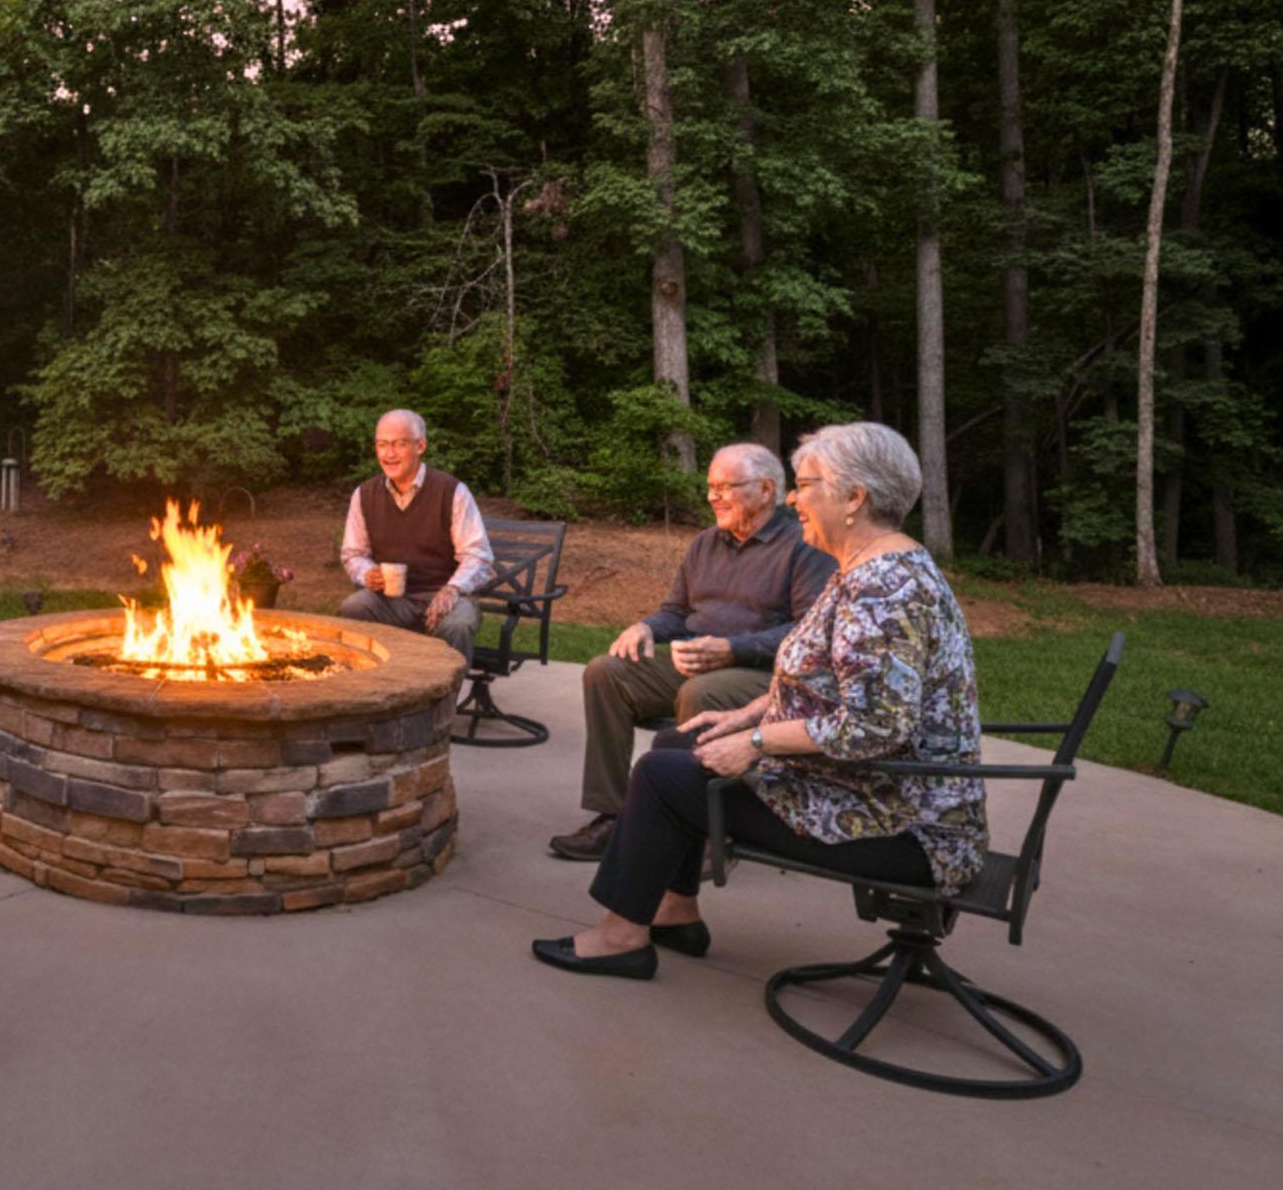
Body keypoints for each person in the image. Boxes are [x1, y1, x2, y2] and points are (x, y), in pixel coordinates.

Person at [531, 421, 986, 979]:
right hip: (874, 789)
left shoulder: (882, 588)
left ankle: (620, 936)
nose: (795, 496)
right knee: (686, 737)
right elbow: (825, 678)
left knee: (658, 776)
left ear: (853, 498)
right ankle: (676, 913)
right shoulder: (868, 570)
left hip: (900, 825)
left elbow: (872, 728)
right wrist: (746, 713)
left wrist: (755, 741)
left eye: (805, 483)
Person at [547, 443, 836, 861]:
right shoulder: (705, 544)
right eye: (710, 487)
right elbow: (677, 612)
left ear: (766, 490)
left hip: (765, 674)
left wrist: (732, 649)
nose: (713, 497)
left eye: (725, 487)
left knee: (702, 694)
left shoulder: (803, 547)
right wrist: (645, 626)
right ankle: (612, 815)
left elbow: (809, 632)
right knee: (605, 672)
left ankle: (703, 827)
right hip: (698, 661)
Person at [336, 409, 491, 663]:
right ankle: (369, 693)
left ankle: (445, 700)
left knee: (458, 625)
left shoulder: (451, 492)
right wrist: (367, 573)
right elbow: (354, 554)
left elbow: (478, 555)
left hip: (444, 595)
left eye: (399, 444)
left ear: (420, 445)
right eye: (382, 445)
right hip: (391, 600)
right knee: (354, 608)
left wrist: (452, 589)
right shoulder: (364, 494)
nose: (389, 454)